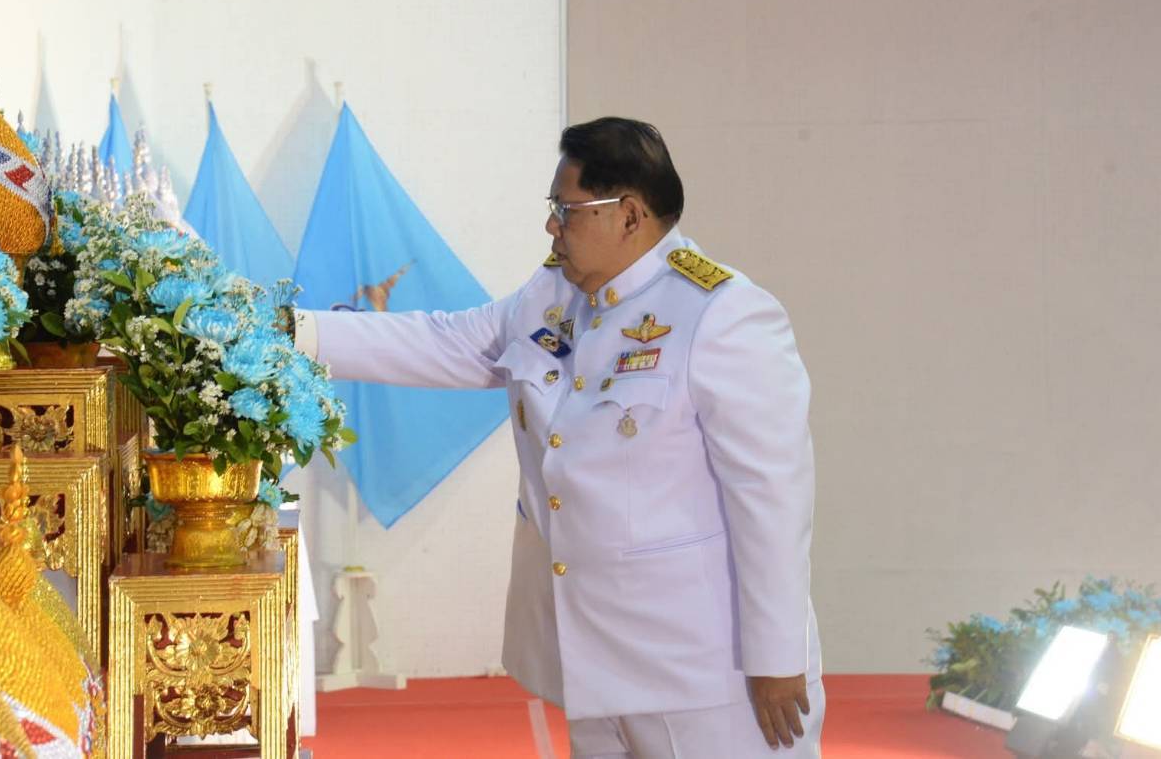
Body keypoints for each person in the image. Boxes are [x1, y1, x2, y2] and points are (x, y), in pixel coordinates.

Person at [291, 117, 823, 758]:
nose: (551, 227)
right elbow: (446, 341)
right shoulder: (553, 294)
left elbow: (770, 496)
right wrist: (295, 332)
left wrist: (776, 653)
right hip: (589, 656)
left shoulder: (720, 313)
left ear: (630, 215)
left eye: (566, 210)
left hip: (702, 666)